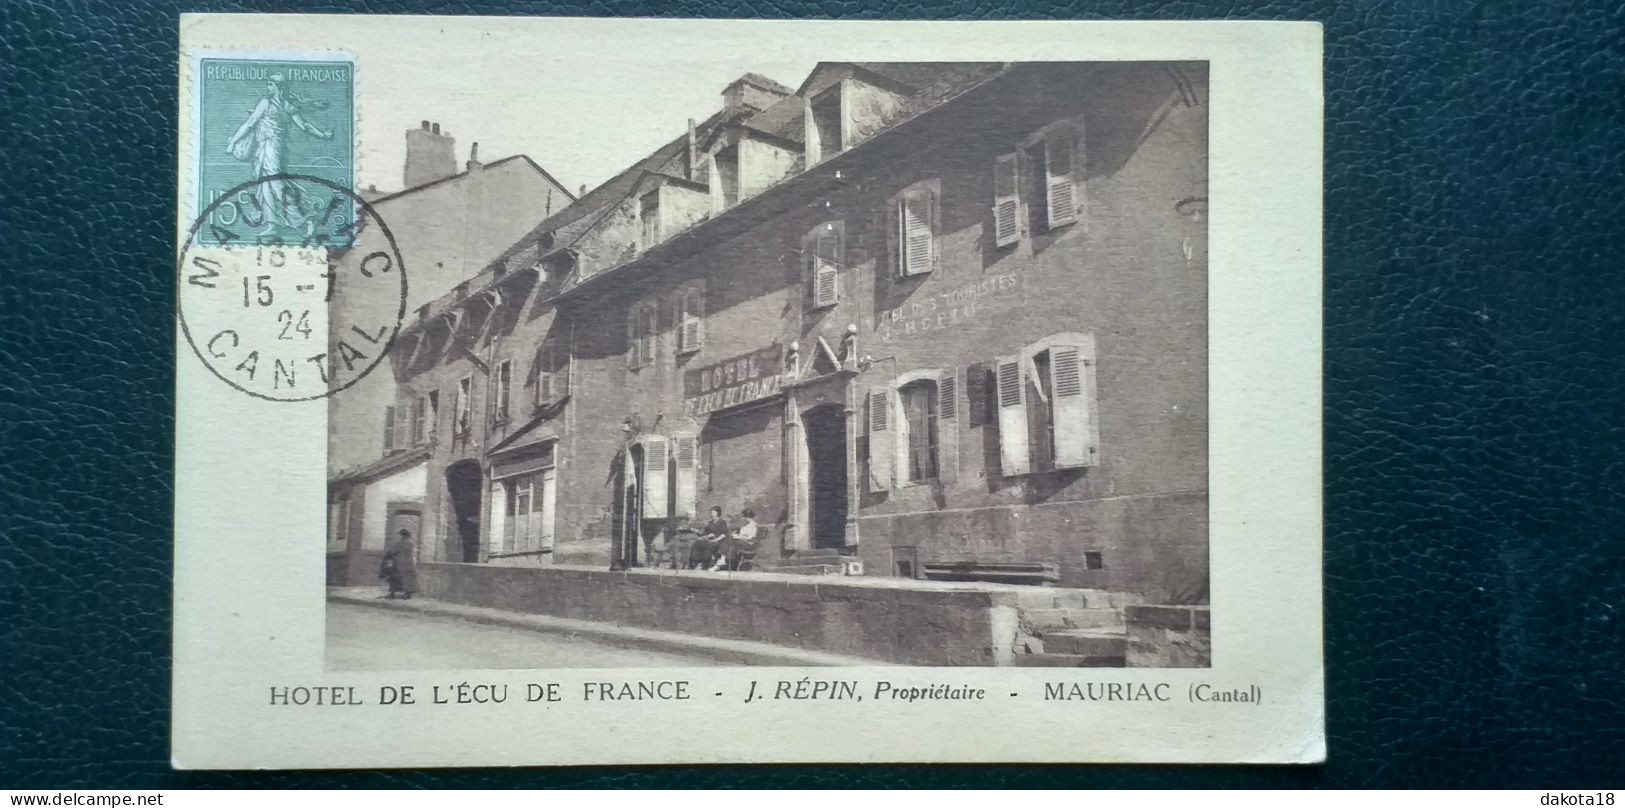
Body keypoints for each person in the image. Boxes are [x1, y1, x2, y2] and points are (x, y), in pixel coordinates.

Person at [225, 74, 335, 236]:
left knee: (278, 185)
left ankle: (308, 217)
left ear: (279, 86)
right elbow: (304, 125)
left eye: (270, 84)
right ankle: (272, 225)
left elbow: (251, 124)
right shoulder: (281, 104)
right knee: (266, 185)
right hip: (267, 148)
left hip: (273, 147)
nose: (268, 87)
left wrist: (233, 142)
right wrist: (323, 134)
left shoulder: (271, 104)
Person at [380, 528, 418, 599]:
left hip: (399, 564)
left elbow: (391, 552)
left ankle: (392, 593)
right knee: (408, 578)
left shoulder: (399, 544)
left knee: (394, 576)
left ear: (402, 536)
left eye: (400, 535)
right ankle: (408, 593)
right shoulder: (411, 544)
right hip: (409, 564)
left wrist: (387, 554)